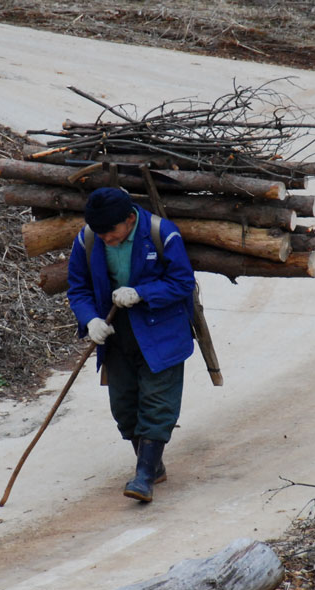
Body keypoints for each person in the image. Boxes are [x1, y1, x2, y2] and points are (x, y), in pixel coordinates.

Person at [67, 187, 195, 503]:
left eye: (112, 232)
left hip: (160, 330)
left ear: (129, 218)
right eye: (102, 233)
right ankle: (152, 465)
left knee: (157, 402)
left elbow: (182, 282)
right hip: (117, 333)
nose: (107, 238)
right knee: (124, 407)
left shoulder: (161, 234)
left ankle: (144, 477)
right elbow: (78, 287)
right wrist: (90, 320)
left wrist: (142, 293)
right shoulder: (88, 240)